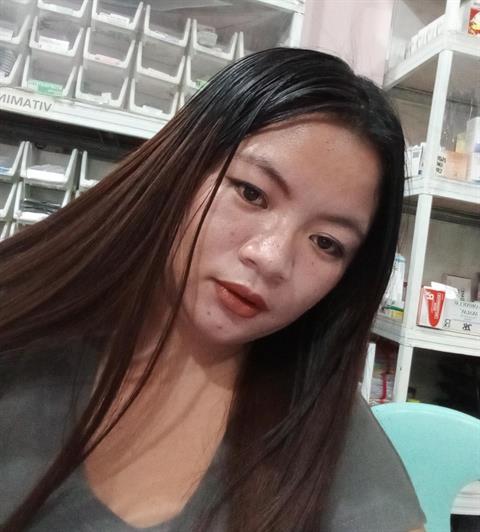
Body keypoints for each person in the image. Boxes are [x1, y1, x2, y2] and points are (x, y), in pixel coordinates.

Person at [0, 48, 425, 531]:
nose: (271, 258)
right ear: (183, 167)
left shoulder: (326, 431)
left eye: (326, 243)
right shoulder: (23, 329)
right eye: (251, 193)